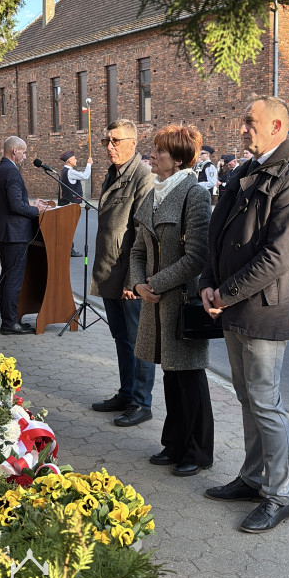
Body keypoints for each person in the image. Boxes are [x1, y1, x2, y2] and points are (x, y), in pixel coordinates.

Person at [199, 95, 289, 533]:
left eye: (250, 121)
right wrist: (207, 281)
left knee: (266, 401)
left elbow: (279, 255)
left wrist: (224, 293)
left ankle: (279, 495)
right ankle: (252, 479)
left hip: (264, 309)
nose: (243, 128)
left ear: (277, 126)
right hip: (232, 302)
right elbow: (217, 232)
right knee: (247, 397)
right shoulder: (247, 170)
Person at [130, 124, 214, 476]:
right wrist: (138, 284)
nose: (152, 155)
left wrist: (156, 283)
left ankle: (198, 451)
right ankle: (174, 443)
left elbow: (197, 256)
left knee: (189, 377)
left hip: (180, 302)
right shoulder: (154, 193)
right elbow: (137, 250)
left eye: (160, 151)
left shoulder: (194, 194)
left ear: (179, 159)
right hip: (155, 302)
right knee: (170, 375)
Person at [90, 119, 156, 426]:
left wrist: (134, 280)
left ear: (133, 143)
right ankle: (126, 393)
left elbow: (143, 234)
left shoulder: (143, 176)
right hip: (110, 271)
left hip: (129, 276)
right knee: (121, 338)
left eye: (115, 141)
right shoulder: (113, 173)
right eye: (107, 141)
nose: (109, 146)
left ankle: (141, 403)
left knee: (139, 341)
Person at [0, 136, 49, 335]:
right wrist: (36, 210)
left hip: (5, 232)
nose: (25, 156)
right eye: (23, 152)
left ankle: (9, 320)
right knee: (13, 280)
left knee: (7, 278)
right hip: (15, 234)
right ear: (15, 151)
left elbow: (11, 202)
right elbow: (15, 206)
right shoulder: (12, 172)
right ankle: (10, 323)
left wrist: (30, 204)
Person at [58, 150, 93, 257]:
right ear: (69, 160)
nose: (76, 160)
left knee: (68, 228)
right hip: (71, 204)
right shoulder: (70, 172)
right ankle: (70, 250)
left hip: (66, 202)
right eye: (74, 158)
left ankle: (68, 248)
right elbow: (85, 176)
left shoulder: (64, 171)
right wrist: (89, 164)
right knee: (70, 228)